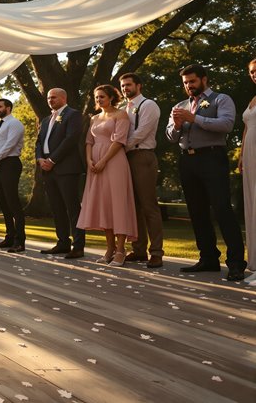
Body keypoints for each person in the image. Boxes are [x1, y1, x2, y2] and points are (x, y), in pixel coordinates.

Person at [167, 64, 245, 281]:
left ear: (204, 79)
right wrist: (176, 125)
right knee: (197, 211)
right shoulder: (179, 106)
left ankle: (236, 263)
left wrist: (195, 119)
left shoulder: (221, 99)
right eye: (185, 83)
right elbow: (170, 137)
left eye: (192, 81)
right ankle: (208, 258)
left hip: (212, 158)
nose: (188, 86)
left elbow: (226, 125)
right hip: (187, 160)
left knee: (222, 209)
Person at [78, 85, 137, 266]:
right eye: (97, 97)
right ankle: (109, 248)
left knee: (117, 204)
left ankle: (120, 250)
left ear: (111, 97)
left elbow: (119, 141)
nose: (98, 100)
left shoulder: (121, 115)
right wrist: (89, 160)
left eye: (102, 96)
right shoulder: (94, 118)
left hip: (114, 162)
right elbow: (89, 141)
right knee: (104, 204)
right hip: (95, 165)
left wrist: (103, 161)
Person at [119, 72, 164, 268]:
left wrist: (119, 147)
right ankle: (139, 250)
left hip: (142, 156)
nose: (125, 88)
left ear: (139, 86)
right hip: (125, 158)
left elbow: (141, 133)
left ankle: (156, 252)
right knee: (133, 206)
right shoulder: (124, 108)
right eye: (122, 86)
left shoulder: (149, 105)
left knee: (149, 206)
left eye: (128, 85)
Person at [35, 88, 85, 259]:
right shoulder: (46, 119)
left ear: (64, 97)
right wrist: (40, 159)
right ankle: (63, 242)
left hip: (66, 168)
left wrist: (52, 160)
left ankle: (78, 246)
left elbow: (71, 139)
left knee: (72, 207)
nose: (50, 100)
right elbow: (39, 142)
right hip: (47, 168)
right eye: (49, 98)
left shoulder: (73, 115)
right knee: (56, 207)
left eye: (54, 97)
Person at [0, 98, 25, 253]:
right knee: (3, 203)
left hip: (10, 164)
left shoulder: (15, 124)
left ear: (8, 108)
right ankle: (9, 237)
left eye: (0, 107)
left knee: (12, 202)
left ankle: (19, 241)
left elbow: (10, 144)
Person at [240, 58, 256, 283]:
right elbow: (246, 128)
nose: (254, 74)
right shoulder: (252, 99)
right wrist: (242, 155)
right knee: (252, 204)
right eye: (252, 71)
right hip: (250, 156)